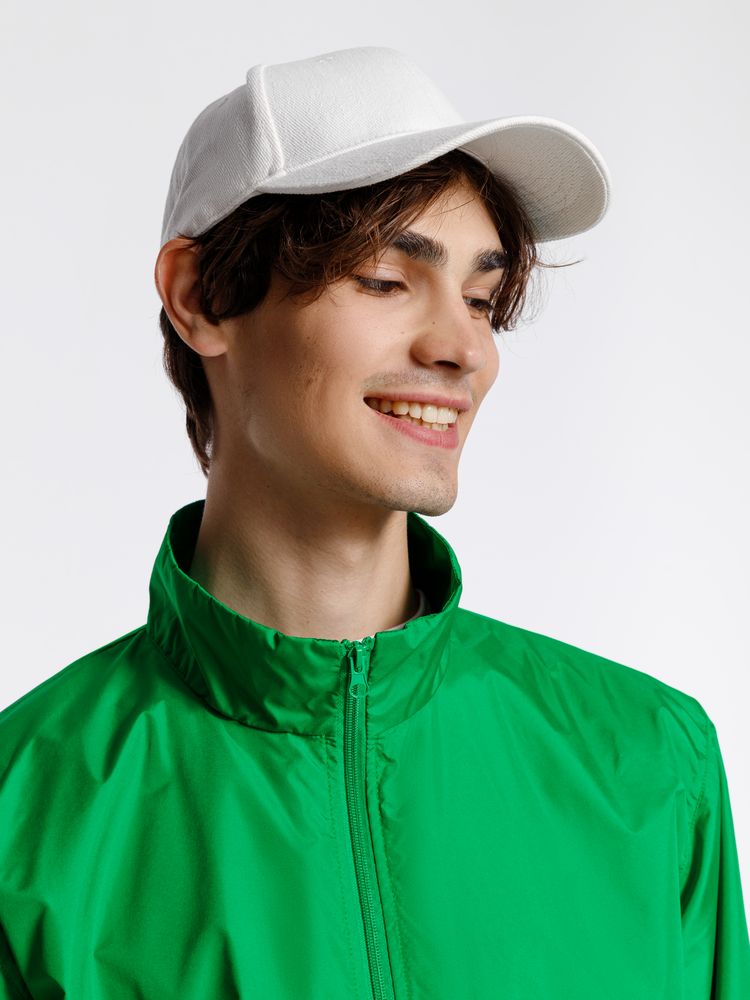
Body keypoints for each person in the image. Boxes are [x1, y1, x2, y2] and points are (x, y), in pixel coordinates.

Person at [0, 45, 747, 1000]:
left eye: (481, 300)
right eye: (386, 281)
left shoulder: (648, 765)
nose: (464, 348)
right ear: (200, 298)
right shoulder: (26, 814)